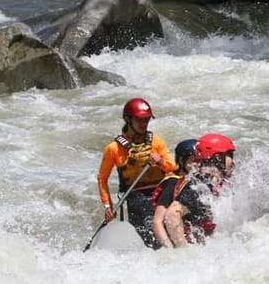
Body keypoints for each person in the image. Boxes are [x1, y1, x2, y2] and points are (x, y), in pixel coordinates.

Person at [97, 97, 176, 248]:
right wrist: (107, 206)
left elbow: (173, 167)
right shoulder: (113, 148)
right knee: (149, 236)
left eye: (146, 120)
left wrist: (160, 162)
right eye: (139, 120)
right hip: (134, 197)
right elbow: (102, 179)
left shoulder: (156, 142)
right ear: (128, 119)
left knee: (163, 228)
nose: (144, 124)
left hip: (159, 192)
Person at [162, 133, 236, 248]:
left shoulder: (213, 181)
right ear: (218, 157)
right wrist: (184, 250)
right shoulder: (200, 185)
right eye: (230, 155)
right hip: (196, 249)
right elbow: (172, 215)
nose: (233, 161)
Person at [151, 138, 198, 249]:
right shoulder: (172, 183)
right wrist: (171, 248)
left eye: (200, 161)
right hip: (176, 241)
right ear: (181, 160)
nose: (198, 165)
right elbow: (157, 221)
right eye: (193, 160)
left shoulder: (197, 182)